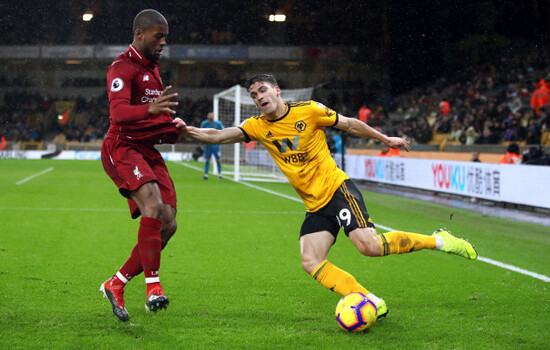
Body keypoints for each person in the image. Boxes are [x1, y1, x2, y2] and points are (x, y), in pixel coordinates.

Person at [174, 74, 478, 319]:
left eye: (262, 90)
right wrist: (186, 130)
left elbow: (349, 124)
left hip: (337, 189)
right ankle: (369, 300)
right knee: (311, 259)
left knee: (369, 247)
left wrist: (385, 139)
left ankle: (439, 240)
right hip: (314, 205)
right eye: (253, 95)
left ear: (277, 91)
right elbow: (217, 135)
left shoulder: (309, 110)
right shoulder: (257, 127)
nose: (258, 97)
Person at [99, 9, 180, 322]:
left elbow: (154, 120)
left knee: (169, 222)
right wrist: (150, 109)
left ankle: (116, 283)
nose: (163, 42)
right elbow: (119, 114)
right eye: (158, 36)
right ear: (140, 34)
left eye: (165, 37)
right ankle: (153, 288)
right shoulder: (122, 67)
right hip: (122, 147)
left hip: (146, 150)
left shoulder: (153, 70)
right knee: (153, 206)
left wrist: (175, 129)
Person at [200, 112, 224, 180]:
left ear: (213, 116)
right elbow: (201, 132)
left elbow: (223, 131)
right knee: (207, 160)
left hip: (216, 146)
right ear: (208, 116)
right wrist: (202, 143)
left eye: (212, 116)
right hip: (208, 145)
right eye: (209, 115)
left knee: (218, 160)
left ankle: (220, 175)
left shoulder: (218, 124)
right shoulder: (204, 124)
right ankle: (206, 175)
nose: (210, 117)